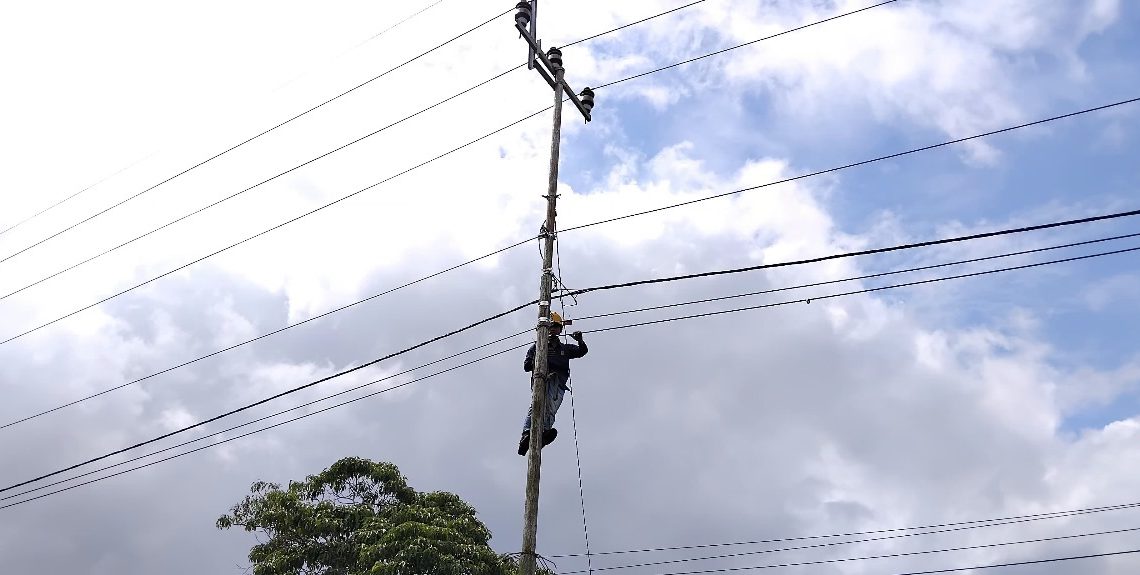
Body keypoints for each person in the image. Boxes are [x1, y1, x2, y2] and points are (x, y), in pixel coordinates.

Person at [518, 311, 588, 456]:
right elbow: (526, 366)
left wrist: (580, 340)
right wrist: (538, 361)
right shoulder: (537, 347)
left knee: (550, 408)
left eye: (556, 326)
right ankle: (526, 434)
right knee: (537, 405)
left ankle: (543, 432)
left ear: (560, 329)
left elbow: (582, 351)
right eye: (550, 326)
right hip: (541, 379)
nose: (553, 329)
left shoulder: (564, 349)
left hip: (559, 383)